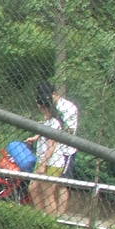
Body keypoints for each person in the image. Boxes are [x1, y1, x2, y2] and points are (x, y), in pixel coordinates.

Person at [30, 81, 80, 218]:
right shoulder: (50, 108)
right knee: (40, 188)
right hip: (49, 153)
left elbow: (67, 130)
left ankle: (59, 216)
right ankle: (44, 216)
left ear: (53, 94)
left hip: (65, 150)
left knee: (61, 185)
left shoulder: (67, 107)